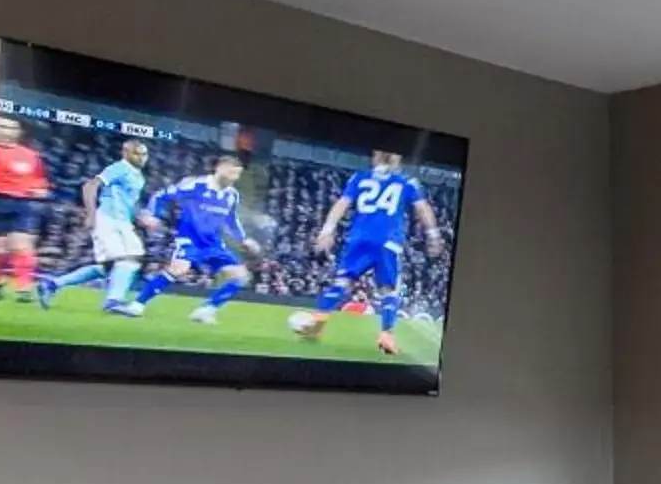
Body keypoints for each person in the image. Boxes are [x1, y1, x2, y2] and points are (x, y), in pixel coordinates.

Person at [294, 151, 444, 355]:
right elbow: (423, 209)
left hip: (358, 239)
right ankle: (386, 335)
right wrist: (433, 235)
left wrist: (327, 230)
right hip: (388, 241)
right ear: (396, 159)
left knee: (342, 282)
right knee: (388, 290)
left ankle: (317, 321)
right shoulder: (407, 182)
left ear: (375, 158)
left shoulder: (359, 177)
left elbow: (342, 204)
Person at [37, 137, 152, 311]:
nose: (142, 158)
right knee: (128, 260)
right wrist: (91, 215)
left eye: (144, 154)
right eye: (137, 154)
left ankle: (52, 284)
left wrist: (141, 216)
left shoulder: (139, 177)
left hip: (123, 223)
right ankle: (113, 301)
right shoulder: (119, 168)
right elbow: (90, 186)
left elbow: (129, 202)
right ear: (126, 153)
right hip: (108, 220)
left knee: (109, 268)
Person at [148, 152, 261, 324]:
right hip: (190, 239)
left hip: (213, 243)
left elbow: (231, 220)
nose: (234, 178)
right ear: (220, 168)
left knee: (241, 276)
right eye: (232, 172)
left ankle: (206, 310)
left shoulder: (232, 194)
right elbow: (161, 195)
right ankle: (137, 305)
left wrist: (243, 239)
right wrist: (152, 215)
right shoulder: (196, 184)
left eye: (237, 174)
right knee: (179, 269)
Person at [0, 116, 52, 302]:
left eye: (11, 127)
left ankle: (24, 288)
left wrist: (41, 190)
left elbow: (40, 180)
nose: (6, 130)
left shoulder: (31, 155)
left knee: (21, 246)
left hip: (23, 204)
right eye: (2, 126)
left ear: (18, 132)